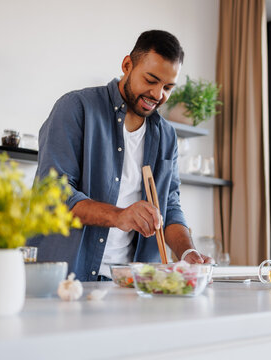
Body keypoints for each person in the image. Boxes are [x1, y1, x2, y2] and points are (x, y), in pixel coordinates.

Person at [27, 30, 213, 281]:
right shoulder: (77, 108)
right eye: (151, 80)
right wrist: (119, 215)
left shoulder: (167, 136)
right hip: (67, 278)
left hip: (131, 283)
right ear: (127, 65)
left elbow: (169, 204)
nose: (158, 95)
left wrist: (186, 251)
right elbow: (54, 193)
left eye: (168, 87)